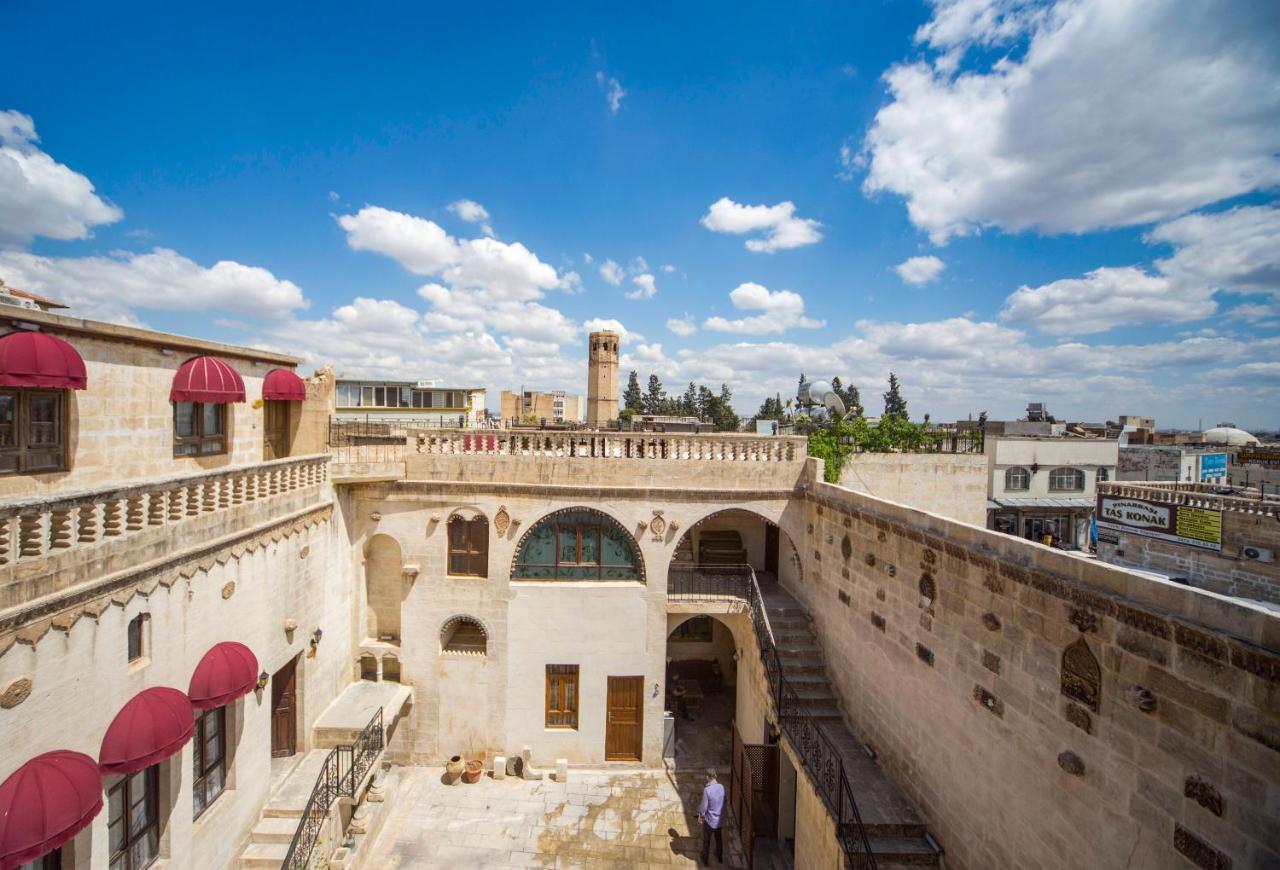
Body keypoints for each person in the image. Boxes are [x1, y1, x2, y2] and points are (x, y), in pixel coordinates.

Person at [699, 767, 725, 865]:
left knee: (706, 841)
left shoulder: (707, 790)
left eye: (706, 776)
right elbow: (724, 801)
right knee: (719, 839)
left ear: (708, 777)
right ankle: (720, 857)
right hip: (719, 820)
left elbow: (704, 807)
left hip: (709, 821)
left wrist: (701, 816)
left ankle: (705, 860)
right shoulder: (721, 787)